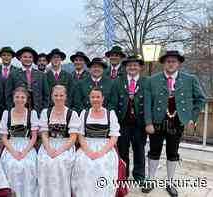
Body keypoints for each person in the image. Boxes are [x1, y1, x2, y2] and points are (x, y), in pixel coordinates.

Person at [142, 50, 206, 196]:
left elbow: (201, 99)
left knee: (172, 153)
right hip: (157, 122)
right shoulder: (152, 80)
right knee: (154, 151)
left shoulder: (190, 79)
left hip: (177, 122)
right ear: (164, 63)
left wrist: (192, 117)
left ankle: (170, 183)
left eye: (174, 61)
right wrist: (148, 122)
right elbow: (147, 103)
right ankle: (151, 179)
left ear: (179, 63)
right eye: (168, 61)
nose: (171, 64)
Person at [71, 87, 120, 197]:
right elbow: (80, 135)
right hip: (87, 145)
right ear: (89, 98)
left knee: (102, 164)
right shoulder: (84, 113)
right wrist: (88, 151)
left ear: (103, 98)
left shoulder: (110, 114)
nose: (95, 99)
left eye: (98, 97)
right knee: (83, 163)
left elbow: (114, 137)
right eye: (93, 97)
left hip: (105, 146)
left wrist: (101, 152)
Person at [37, 85, 81, 197]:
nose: (58, 98)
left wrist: (59, 150)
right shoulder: (45, 113)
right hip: (49, 144)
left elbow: (73, 137)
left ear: (65, 97)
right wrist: (49, 149)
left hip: (65, 145)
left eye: (61, 95)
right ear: (52, 96)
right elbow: (44, 134)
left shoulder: (72, 114)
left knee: (61, 162)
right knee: (46, 162)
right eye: (56, 95)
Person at [110, 54, 147, 184]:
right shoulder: (118, 82)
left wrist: (148, 122)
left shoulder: (145, 82)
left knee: (139, 150)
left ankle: (139, 176)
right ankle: (123, 175)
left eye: (135, 65)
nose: (132, 67)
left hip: (139, 123)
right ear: (126, 67)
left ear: (140, 67)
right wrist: (113, 122)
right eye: (129, 65)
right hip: (122, 123)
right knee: (123, 150)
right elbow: (113, 103)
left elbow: (149, 102)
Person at [0, 87, 39, 197]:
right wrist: (13, 152)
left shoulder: (32, 114)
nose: (19, 99)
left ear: (26, 99)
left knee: (28, 165)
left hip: (27, 145)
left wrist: (24, 152)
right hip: (11, 145)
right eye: (17, 97)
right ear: (13, 99)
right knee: (11, 165)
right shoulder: (7, 114)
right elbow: (4, 137)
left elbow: (34, 137)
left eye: (22, 97)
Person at [5, 46, 49, 114]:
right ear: (20, 58)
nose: (27, 59)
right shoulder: (13, 74)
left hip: (37, 111)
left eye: (30, 57)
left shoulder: (41, 75)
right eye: (25, 57)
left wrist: (43, 110)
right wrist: (12, 109)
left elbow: (46, 95)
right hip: (18, 111)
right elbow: (8, 96)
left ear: (33, 59)